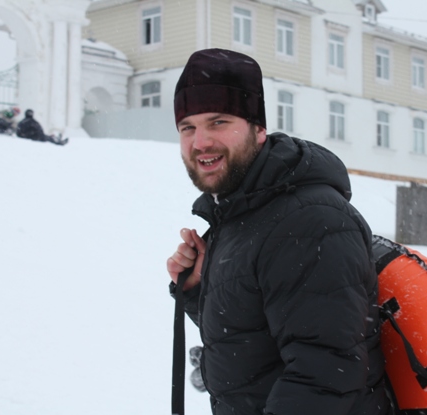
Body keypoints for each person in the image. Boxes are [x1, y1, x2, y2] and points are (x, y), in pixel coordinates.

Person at [166, 49, 389, 415]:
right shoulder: (240, 214)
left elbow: (324, 376)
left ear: (258, 129)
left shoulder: (309, 222)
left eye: (218, 122)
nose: (200, 142)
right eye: (187, 127)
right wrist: (197, 290)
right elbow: (251, 342)